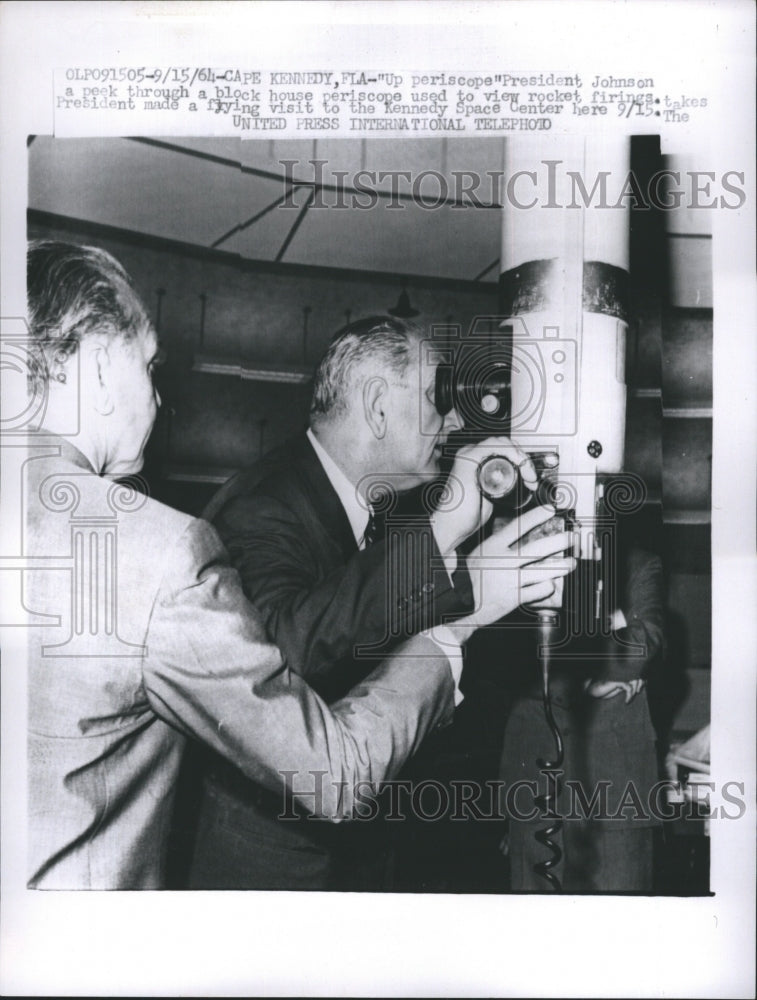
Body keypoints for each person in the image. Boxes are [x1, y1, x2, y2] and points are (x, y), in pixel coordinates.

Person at [21, 241, 574, 890]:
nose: (159, 397)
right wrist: (460, 618)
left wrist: (447, 523)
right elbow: (297, 679)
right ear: (95, 366)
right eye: (149, 365)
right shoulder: (187, 536)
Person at [183, 315, 542, 890]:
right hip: (273, 863)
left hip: (345, 844)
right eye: (436, 396)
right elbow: (278, 660)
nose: (451, 421)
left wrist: (457, 557)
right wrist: (444, 530)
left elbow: (354, 621)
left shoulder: (346, 501)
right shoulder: (262, 507)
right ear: (378, 406)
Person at [497, 535, 664, 892]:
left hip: (617, 788)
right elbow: (504, 654)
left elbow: (643, 645)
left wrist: (576, 652)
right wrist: (607, 634)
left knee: (620, 926)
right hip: (532, 782)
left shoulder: (639, 563)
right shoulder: (522, 555)